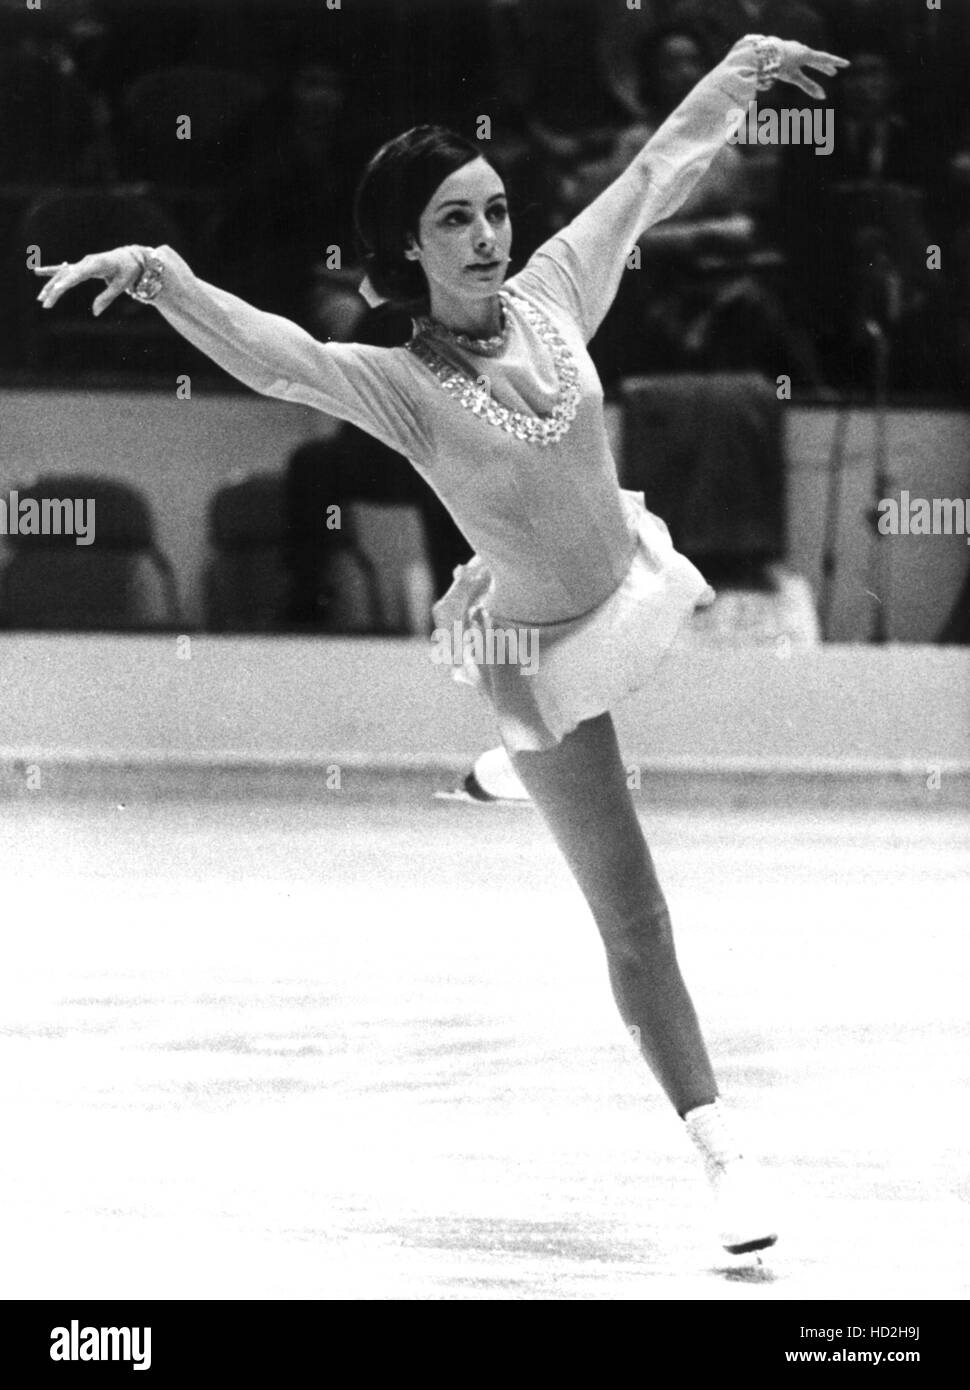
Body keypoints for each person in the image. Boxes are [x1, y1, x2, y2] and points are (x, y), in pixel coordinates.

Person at [34, 33, 847, 1256]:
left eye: (495, 209)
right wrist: (162, 274)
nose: (486, 235)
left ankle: (504, 768)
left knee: (620, 677)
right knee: (636, 917)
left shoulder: (558, 294)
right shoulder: (400, 383)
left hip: (631, 585)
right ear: (405, 247)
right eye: (454, 219)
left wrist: (732, 76)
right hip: (546, 657)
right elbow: (280, 356)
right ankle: (723, 1154)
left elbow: (645, 182)